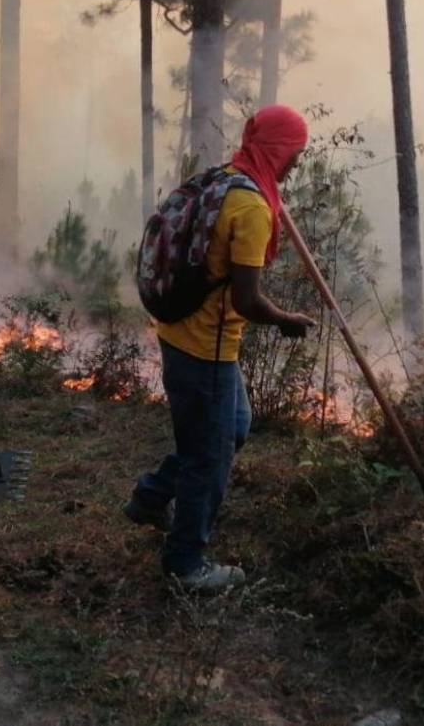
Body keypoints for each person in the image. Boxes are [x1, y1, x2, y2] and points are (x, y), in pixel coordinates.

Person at [127, 105, 315, 593]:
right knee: (208, 456)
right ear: (277, 149)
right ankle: (186, 563)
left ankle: (150, 497)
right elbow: (248, 300)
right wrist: (285, 321)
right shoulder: (250, 207)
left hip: (181, 333)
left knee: (232, 427)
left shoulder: (228, 178)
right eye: (294, 152)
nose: (296, 161)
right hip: (205, 348)